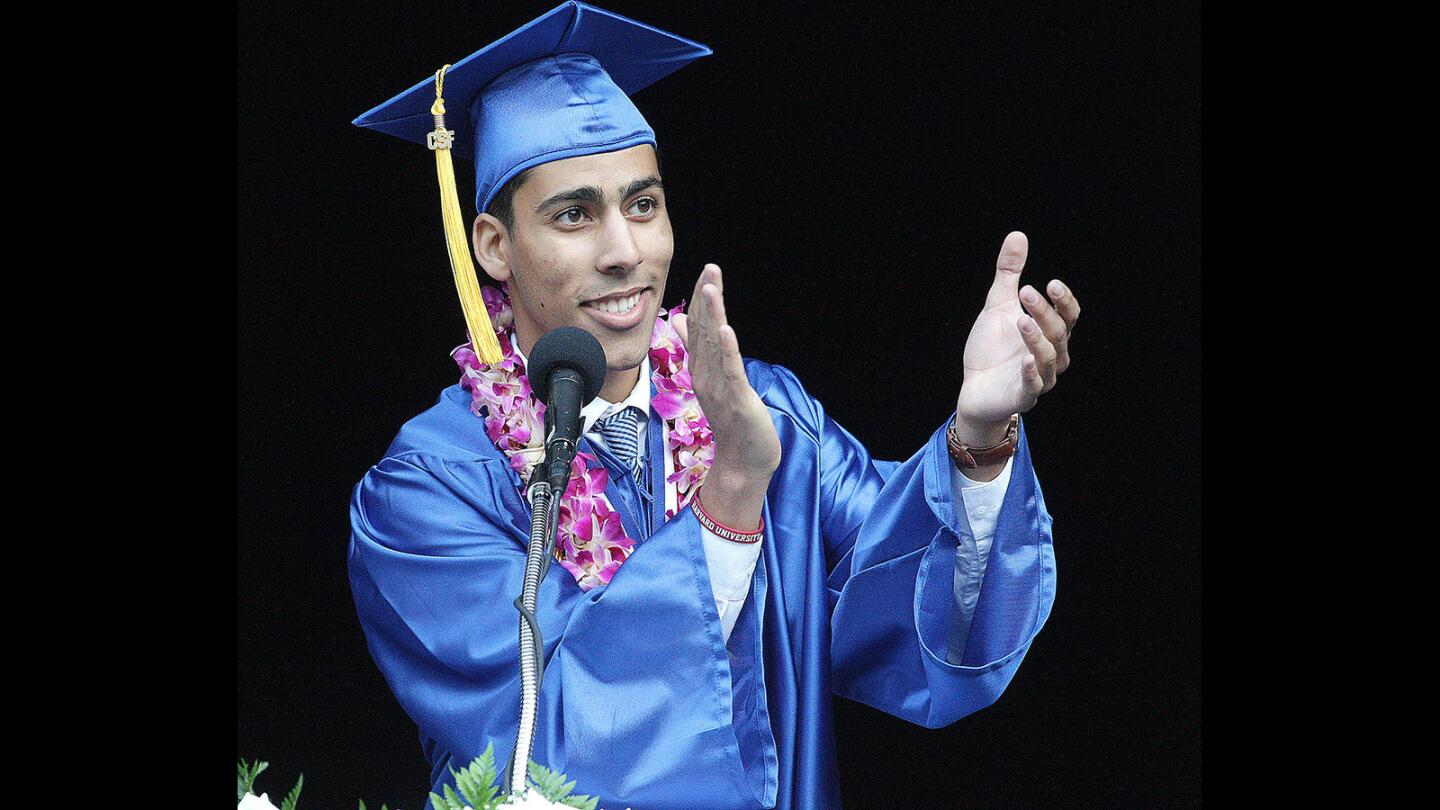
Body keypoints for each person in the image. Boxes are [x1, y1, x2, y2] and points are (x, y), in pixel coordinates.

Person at [346, 3, 1078, 808]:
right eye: (573, 214)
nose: (624, 250)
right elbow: (546, 749)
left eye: (643, 204)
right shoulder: (427, 491)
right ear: (492, 245)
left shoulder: (765, 414)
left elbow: (917, 621)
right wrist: (729, 500)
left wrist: (977, 436)